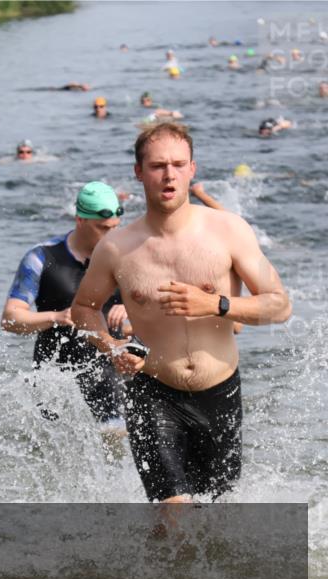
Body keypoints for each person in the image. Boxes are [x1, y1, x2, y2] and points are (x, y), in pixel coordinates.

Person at [72, 123, 291, 503]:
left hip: (220, 393)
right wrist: (110, 347)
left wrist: (218, 305)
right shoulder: (116, 248)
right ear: (139, 172)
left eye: (178, 164)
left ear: (193, 169)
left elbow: (279, 305)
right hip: (152, 393)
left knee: (214, 521)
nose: (169, 175)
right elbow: (84, 308)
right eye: (157, 166)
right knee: (175, 514)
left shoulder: (229, 231)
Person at [1, 181, 128, 429]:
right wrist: (57, 317)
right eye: (103, 228)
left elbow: (159, 305)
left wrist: (131, 308)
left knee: (116, 431)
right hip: (58, 375)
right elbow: (10, 318)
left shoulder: (127, 255)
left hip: (110, 365)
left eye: (115, 227)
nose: (111, 235)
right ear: (80, 220)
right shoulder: (41, 258)